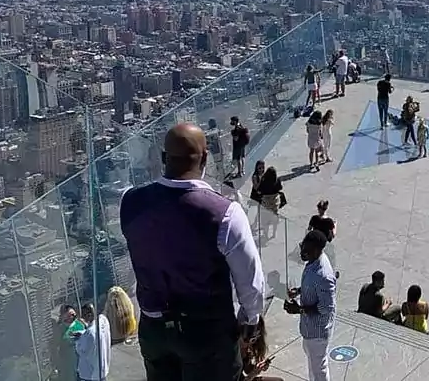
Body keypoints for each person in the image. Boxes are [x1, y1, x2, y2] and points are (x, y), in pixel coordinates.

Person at [121, 123, 266, 381]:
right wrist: (250, 319)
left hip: (154, 330)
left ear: (164, 158)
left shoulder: (130, 202)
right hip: (207, 334)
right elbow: (250, 281)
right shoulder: (226, 214)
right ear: (205, 158)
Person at [284, 230, 337, 381]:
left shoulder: (324, 275)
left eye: (306, 250)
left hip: (318, 332)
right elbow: (314, 287)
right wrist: (299, 291)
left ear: (316, 250)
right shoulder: (313, 261)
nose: (302, 252)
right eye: (302, 246)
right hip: (309, 329)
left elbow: (326, 307)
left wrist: (299, 309)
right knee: (313, 366)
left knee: (319, 369)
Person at [74, 303, 112, 381]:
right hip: (102, 368)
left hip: (91, 373)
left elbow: (82, 351)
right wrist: (84, 333)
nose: (82, 318)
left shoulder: (90, 333)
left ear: (89, 315)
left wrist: (78, 340)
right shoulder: (103, 321)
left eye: (84, 315)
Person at [52, 304, 81, 381]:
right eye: (69, 315)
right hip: (66, 363)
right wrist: (56, 364)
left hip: (78, 362)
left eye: (73, 314)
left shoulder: (79, 325)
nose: (72, 316)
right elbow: (55, 346)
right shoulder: (60, 329)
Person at [256, 167, 285, 240]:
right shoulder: (277, 180)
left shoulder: (264, 180)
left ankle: (266, 234)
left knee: (265, 220)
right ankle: (274, 234)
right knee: (275, 219)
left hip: (266, 203)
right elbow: (280, 188)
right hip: (275, 202)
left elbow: (259, 190)